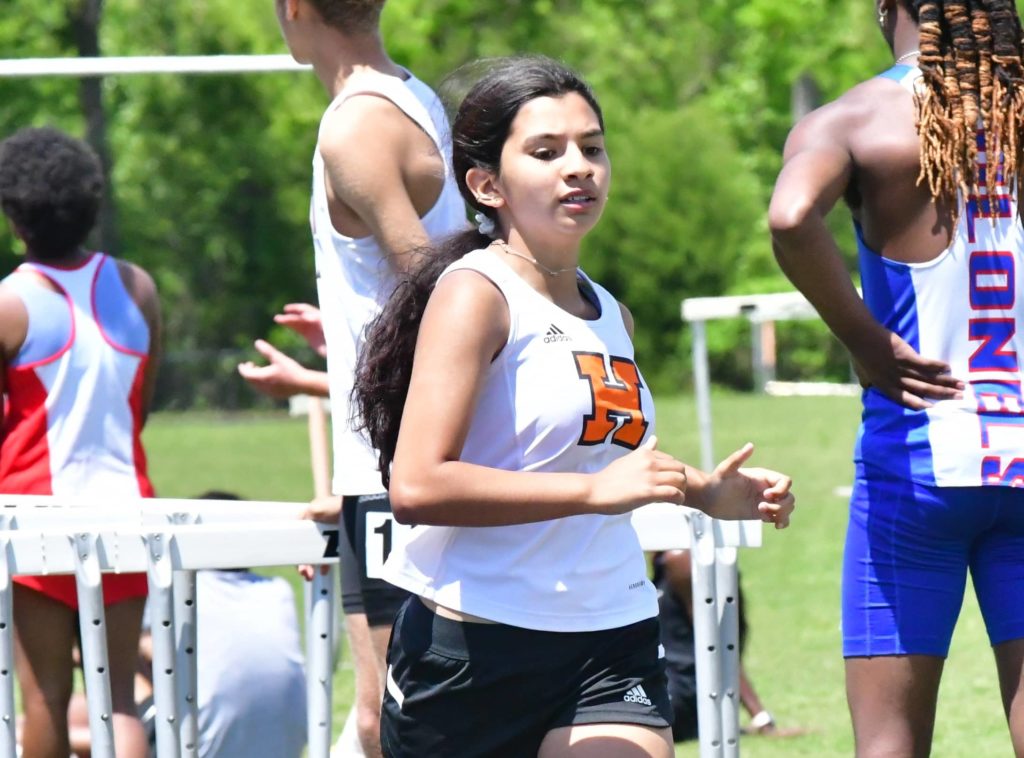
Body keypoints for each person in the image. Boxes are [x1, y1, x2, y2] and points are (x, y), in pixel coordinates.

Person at [352, 55, 795, 758]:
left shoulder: (611, 312)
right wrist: (591, 494)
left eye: (592, 148)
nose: (579, 167)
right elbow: (418, 486)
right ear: (486, 185)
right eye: (546, 151)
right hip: (474, 651)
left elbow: (609, 465)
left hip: (610, 636)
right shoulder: (475, 295)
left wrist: (705, 492)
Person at [769, 2, 1024, 755]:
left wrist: (865, 341)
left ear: (889, 7)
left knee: (889, 744)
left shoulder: (856, 119)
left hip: (915, 471)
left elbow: (790, 217)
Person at [273, 1, 468, 755]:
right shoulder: (414, 96)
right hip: (393, 460)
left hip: (402, 463)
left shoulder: (354, 125)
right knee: (396, 709)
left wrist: (389, 468)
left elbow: (441, 298)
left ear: (294, 7)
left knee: (392, 716)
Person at [0, 127, 160, 758]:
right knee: (118, 696)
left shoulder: (10, 303)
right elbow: (141, 407)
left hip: (34, 512)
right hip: (127, 509)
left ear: (15, 217)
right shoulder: (138, 287)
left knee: (44, 696)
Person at [653, 550, 803, 742]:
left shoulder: (680, 559)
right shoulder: (664, 558)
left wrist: (760, 717)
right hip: (672, 689)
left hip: (683, 692)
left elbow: (718, 643)